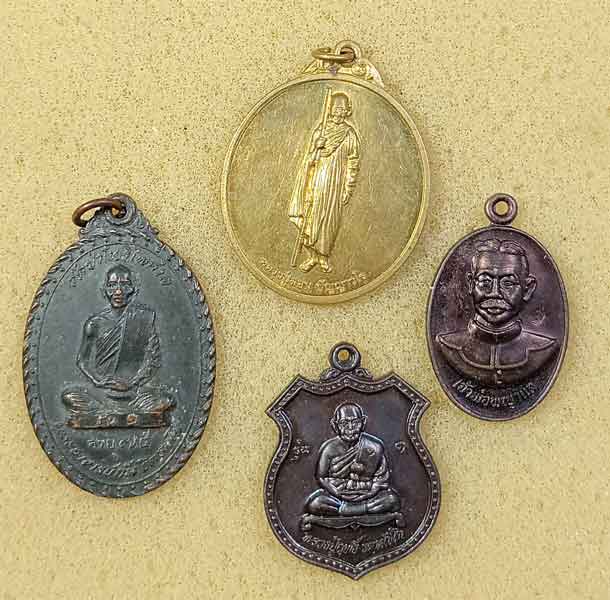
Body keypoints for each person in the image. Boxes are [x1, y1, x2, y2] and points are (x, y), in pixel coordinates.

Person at [62, 264, 175, 427]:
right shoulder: (95, 323)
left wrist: (134, 382)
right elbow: (82, 361)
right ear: (104, 290)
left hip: (133, 392)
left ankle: (105, 415)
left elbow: (153, 360)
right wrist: (98, 381)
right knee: (69, 397)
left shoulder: (143, 319)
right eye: (112, 285)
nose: (118, 291)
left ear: (133, 290)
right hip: (102, 392)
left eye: (124, 285)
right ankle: (127, 415)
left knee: (167, 400)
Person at [436, 239, 557, 387]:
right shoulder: (448, 346)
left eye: (507, 283)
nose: (494, 293)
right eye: (485, 282)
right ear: (470, 284)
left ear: (527, 289)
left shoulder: (542, 349)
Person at [288, 92, 360, 273]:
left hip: (336, 186)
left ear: (348, 111)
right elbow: (309, 159)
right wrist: (317, 148)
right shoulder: (320, 132)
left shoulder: (350, 134)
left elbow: (353, 163)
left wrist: (348, 188)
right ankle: (312, 256)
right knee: (312, 219)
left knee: (330, 221)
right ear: (330, 110)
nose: (339, 113)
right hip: (316, 183)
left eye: (343, 109)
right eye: (336, 108)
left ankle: (323, 258)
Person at [304, 403, 400, 519]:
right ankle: (362, 509)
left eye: (355, 423)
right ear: (335, 425)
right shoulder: (329, 448)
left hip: (368, 495)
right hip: (337, 497)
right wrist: (337, 493)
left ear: (363, 422)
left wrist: (369, 493)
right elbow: (321, 477)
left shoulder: (375, 447)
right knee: (315, 504)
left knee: (392, 500)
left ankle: (346, 510)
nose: (350, 428)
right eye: (344, 423)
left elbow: (381, 478)